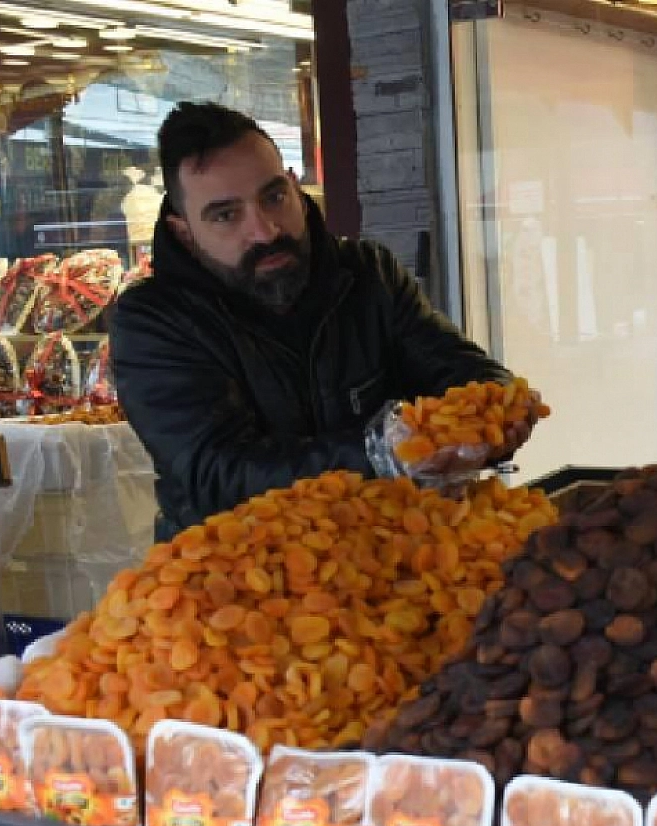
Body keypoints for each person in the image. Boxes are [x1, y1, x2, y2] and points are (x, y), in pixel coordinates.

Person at [109, 102, 520, 539]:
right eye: (227, 215)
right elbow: (220, 473)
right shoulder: (153, 323)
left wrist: (501, 406)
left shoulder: (368, 274)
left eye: (273, 196)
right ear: (183, 232)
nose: (266, 231)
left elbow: (461, 372)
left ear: (293, 184)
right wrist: (379, 452)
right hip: (235, 577)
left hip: (398, 552)